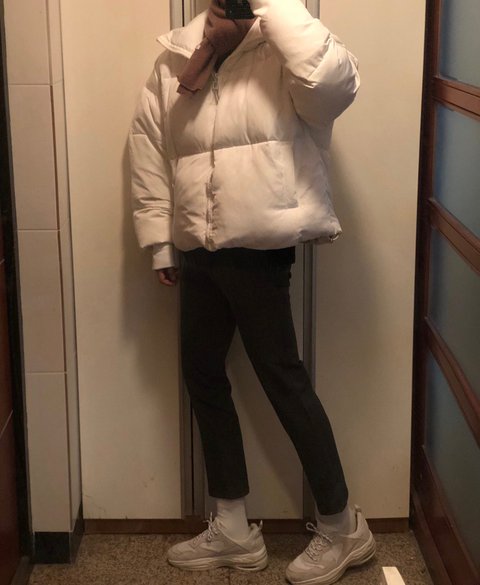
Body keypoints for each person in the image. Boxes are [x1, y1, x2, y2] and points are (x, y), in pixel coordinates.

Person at [129, 0, 375, 583]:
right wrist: (160, 241)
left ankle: (343, 526)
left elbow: (335, 86)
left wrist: (273, 5)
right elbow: (150, 148)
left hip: (260, 246)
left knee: (281, 379)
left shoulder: (284, 45)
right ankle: (233, 526)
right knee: (202, 373)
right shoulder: (178, 55)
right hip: (197, 244)